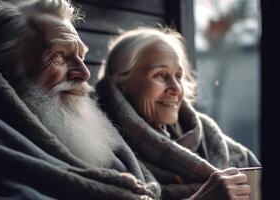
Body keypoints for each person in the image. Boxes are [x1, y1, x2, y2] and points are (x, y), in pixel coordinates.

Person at [0, 1, 161, 199]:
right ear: (2, 67)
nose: (84, 72)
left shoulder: (98, 141)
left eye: (81, 57)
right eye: (59, 57)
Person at [96, 27, 261, 200]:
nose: (176, 89)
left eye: (178, 76)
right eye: (160, 75)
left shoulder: (221, 145)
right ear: (121, 83)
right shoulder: (104, 154)